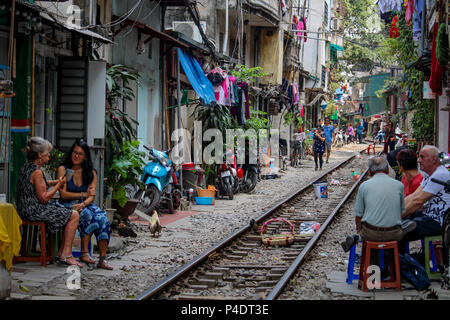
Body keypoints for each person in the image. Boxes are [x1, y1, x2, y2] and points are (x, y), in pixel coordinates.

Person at [16, 137, 82, 267]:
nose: (49, 156)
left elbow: (40, 185)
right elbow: (44, 197)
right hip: (34, 211)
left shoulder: (27, 167)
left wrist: (56, 181)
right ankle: (66, 254)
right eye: (47, 153)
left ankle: (63, 253)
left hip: (25, 208)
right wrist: (58, 186)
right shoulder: (37, 172)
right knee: (74, 215)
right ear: (40, 155)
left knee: (68, 212)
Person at [57, 139, 113, 270]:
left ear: (85, 156)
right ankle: (84, 253)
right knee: (86, 215)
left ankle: (102, 259)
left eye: (80, 154)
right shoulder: (63, 169)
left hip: (85, 204)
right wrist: (83, 195)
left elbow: (91, 196)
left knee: (103, 219)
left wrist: (84, 202)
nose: (76, 156)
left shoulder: (91, 172)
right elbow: (64, 194)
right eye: (74, 152)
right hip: (67, 204)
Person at [341, 156, 405, 252]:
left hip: (370, 234)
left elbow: (358, 215)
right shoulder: (399, 185)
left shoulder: (364, 186)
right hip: (394, 234)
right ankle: (393, 263)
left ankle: (372, 264)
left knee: (367, 237)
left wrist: (359, 231)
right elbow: (402, 212)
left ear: (370, 172)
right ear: (388, 170)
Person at [400, 145, 450, 251]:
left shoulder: (440, 175)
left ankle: (400, 265)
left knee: (398, 232)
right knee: (403, 222)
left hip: (439, 221)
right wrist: (395, 211)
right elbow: (413, 196)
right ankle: (400, 262)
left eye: (422, 157)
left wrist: (394, 218)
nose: (418, 160)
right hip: (429, 216)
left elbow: (418, 201)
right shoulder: (429, 174)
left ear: (434, 160)